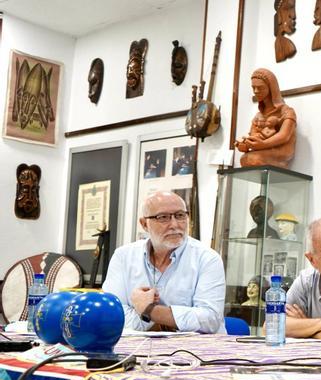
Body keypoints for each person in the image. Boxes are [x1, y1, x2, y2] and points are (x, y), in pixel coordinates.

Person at [103, 191, 226, 333]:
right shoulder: (123, 257)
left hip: (197, 351)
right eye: (163, 217)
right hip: (137, 348)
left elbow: (209, 320)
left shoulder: (207, 258)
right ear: (144, 224)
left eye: (180, 216)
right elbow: (112, 313)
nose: (174, 224)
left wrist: (148, 310)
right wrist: (160, 325)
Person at [234, 68, 297, 168]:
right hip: (263, 150)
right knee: (244, 159)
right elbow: (254, 137)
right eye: (253, 87)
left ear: (271, 88)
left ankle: (280, 165)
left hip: (281, 150)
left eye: (260, 88)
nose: (256, 91)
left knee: (252, 160)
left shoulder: (287, 112)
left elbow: (284, 136)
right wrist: (246, 145)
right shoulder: (258, 116)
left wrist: (263, 144)